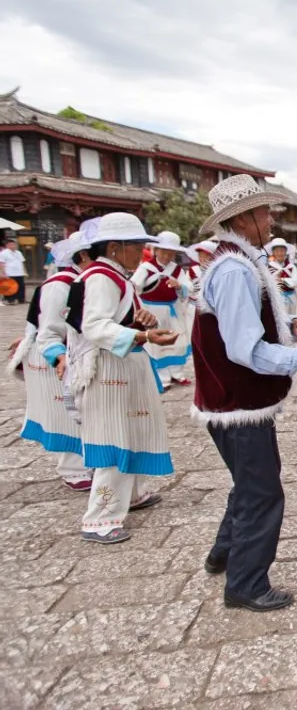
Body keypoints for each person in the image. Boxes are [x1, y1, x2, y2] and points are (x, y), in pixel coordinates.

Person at [191, 175, 297, 611]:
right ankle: (246, 582)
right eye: (263, 213)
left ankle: (225, 552)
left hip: (228, 399)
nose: (270, 220)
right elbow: (245, 349)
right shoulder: (236, 269)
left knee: (247, 482)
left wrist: (291, 322)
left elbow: (243, 321)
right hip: (238, 400)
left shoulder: (236, 260)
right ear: (242, 219)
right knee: (261, 491)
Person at [64, 213, 177, 544]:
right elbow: (95, 325)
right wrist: (145, 337)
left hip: (123, 367)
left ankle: (133, 493)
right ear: (115, 247)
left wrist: (142, 321)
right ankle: (100, 517)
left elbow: (120, 318)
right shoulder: (101, 277)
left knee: (132, 431)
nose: (141, 252)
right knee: (114, 437)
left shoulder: (117, 277)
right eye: (137, 246)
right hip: (109, 370)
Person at [7, 232, 94, 491]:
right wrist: (59, 355)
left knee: (81, 411)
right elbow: (50, 328)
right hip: (54, 356)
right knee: (62, 412)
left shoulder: (84, 280)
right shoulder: (61, 283)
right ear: (83, 255)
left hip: (73, 353)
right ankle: (73, 469)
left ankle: (85, 461)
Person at [130, 231, 193, 389]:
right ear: (156, 250)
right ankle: (163, 377)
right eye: (163, 252)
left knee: (176, 340)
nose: (166, 256)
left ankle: (177, 373)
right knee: (157, 344)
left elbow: (189, 288)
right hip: (152, 310)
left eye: (170, 253)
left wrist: (179, 286)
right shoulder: (146, 267)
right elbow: (134, 286)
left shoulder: (177, 270)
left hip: (172, 310)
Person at [266, 238, 297, 316]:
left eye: (282, 251)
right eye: (277, 251)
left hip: (291, 297)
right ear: (273, 252)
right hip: (276, 298)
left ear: (286, 252)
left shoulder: (291, 266)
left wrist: (282, 280)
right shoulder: (269, 267)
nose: (280, 253)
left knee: (291, 318)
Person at [0, 238, 27, 304]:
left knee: (21, 286)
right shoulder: (3, 253)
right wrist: (3, 273)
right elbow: (1, 263)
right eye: (11, 244)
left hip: (19, 272)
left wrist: (25, 271)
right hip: (9, 272)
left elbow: (22, 262)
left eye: (14, 245)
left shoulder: (19, 252)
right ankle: (10, 299)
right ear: (7, 245)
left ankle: (21, 299)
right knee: (10, 286)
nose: (13, 246)